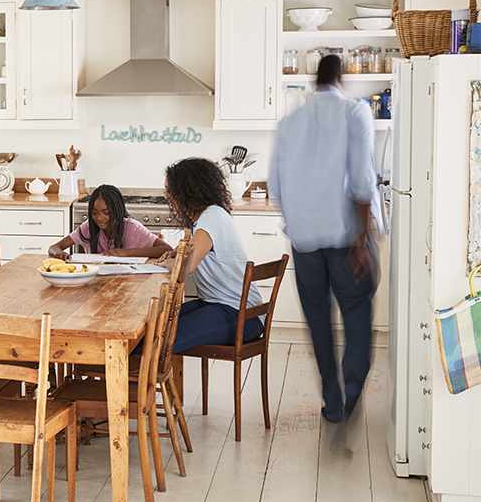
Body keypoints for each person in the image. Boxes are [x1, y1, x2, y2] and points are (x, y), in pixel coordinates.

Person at [268, 54, 380, 424]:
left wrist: (300, 220)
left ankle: (331, 399)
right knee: (356, 310)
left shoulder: (287, 124)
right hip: (346, 239)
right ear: (340, 79)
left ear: (314, 80)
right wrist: (362, 241)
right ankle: (350, 389)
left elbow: (275, 189)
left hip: (305, 243)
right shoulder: (354, 113)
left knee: (318, 319)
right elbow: (363, 182)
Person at [158, 158, 265, 354]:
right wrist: (175, 252)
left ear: (188, 190)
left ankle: (133, 382)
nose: (166, 196)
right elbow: (197, 252)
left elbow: (184, 269)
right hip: (215, 304)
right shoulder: (204, 219)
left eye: (169, 190)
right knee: (154, 328)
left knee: (157, 341)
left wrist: (166, 263)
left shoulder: (212, 217)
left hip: (242, 315)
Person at [48, 184, 171, 260]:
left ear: (117, 211)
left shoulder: (133, 228)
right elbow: (53, 247)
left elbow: (166, 249)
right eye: (94, 213)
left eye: (106, 213)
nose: (99, 218)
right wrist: (59, 253)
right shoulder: (89, 227)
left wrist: (127, 253)